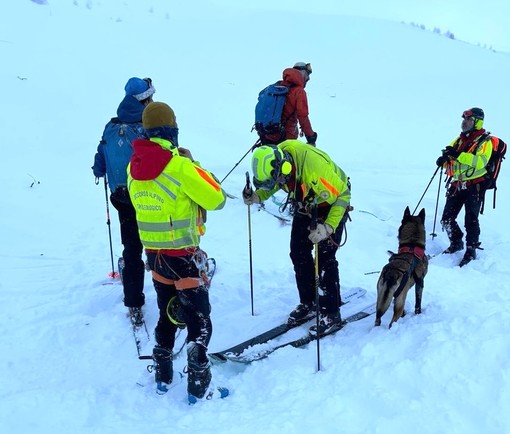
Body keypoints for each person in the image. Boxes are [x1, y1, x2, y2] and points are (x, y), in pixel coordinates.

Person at [127, 101, 227, 401]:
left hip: (154, 256)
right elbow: (217, 198)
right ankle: (199, 385)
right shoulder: (180, 165)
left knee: (167, 313)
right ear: (172, 131)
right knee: (199, 318)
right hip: (183, 256)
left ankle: (162, 374)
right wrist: (194, 165)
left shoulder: (134, 166)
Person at [242, 141, 351, 335]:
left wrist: (327, 227)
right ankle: (308, 301)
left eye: (279, 180)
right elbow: (275, 183)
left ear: (285, 168)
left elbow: (342, 196)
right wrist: (258, 195)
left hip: (333, 202)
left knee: (325, 258)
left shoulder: (314, 171)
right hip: (307, 201)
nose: (278, 184)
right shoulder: (280, 160)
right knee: (298, 252)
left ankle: (331, 313)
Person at [92, 77, 155, 325]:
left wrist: (99, 171)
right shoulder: (147, 127)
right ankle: (164, 279)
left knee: (131, 246)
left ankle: (134, 303)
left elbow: (100, 158)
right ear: (145, 99)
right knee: (156, 240)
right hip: (148, 196)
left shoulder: (110, 126)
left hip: (120, 195)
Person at [435, 107, 492, 267]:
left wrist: (457, 155)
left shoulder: (484, 141)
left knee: (471, 220)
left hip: (475, 185)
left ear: (477, 122)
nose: (464, 122)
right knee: (447, 218)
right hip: (457, 183)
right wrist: (444, 161)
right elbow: (452, 157)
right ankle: (456, 242)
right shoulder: (459, 140)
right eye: (464, 119)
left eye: (468, 119)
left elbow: (480, 161)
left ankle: (471, 250)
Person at [261, 62, 317, 146]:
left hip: (267, 135)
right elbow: (302, 116)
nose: (308, 78)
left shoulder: (278, 86)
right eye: (307, 74)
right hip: (286, 139)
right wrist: (311, 136)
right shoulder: (299, 92)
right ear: (302, 72)